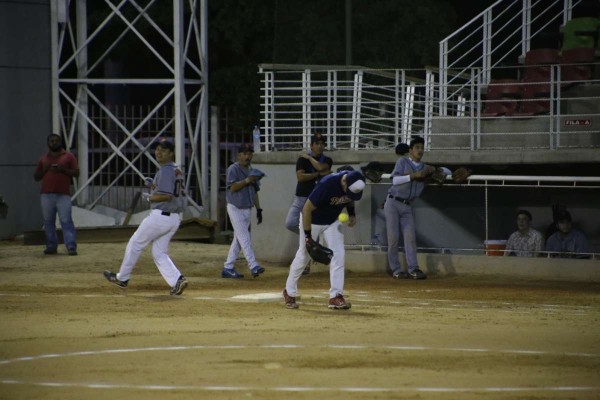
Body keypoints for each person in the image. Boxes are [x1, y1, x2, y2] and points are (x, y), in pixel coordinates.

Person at [103, 138, 188, 295]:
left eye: (163, 150)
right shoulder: (176, 170)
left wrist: (149, 197)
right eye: (157, 149)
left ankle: (122, 278)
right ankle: (177, 280)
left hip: (160, 217)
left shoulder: (165, 170)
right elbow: (169, 192)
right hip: (174, 218)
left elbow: (166, 196)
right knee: (159, 252)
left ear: (171, 153)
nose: (159, 152)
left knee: (135, 243)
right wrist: (154, 186)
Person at [283, 170, 366, 310]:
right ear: (344, 182)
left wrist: (351, 213)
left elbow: (350, 198)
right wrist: (308, 237)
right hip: (312, 221)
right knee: (304, 255)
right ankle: (289, 292)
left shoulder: (352, 180)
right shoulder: (327, 185)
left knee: (338, 254)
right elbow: (306, 209)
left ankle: (336, 296)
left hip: (332, 222)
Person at [384, 136, 452, 280]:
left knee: (410, 238)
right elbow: (395, 180)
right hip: (393, 203)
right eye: (417, 147)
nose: (420, 150)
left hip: (407, 206)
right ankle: (396, 270)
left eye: (422, 147)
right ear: (410, 150)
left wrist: (437, 169)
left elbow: (448, 173)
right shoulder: (402, 161)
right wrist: (414, 175)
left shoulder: (425, 167)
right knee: (393, 238)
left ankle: (413, 269)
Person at [284, 132, 333, 274]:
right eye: (316, 144)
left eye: (322, 144)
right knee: (291, 223)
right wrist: (318, 175)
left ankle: (305, 263)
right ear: (311, 145)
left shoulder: (326, 159)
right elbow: (300, 177)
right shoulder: (302, 160)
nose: (319, 146)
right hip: (300, 198)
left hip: (314, 201)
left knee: (305, 231)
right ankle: (313, 239)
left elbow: (321, 167)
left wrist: (311, 159)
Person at [221, 143, 266, 279]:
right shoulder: (233, 169)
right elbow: (233, 188)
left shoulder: (252, 170)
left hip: (247, 208)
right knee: (245, 238)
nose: (248, 156)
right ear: (239, 155)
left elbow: (255, 191)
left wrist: (258, 209)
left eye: (250, 153)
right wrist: (247, 180)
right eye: (245, 154)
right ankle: (253, 265)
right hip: (234, 207)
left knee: (239, 240)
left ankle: (228, 267)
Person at [33, 133, 79, 256]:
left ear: (60, 142)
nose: (54, 143)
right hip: (46, 195)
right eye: (51, 141)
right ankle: (51, 246)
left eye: (56, 140)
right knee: (48, 221)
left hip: (63, 194)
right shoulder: (43, 159)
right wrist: (45, 169)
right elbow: (36, 177)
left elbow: (76, 173)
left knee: (66, 220)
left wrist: (62, 170)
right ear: (48, 143)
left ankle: (71, 246)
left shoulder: (68, 157)